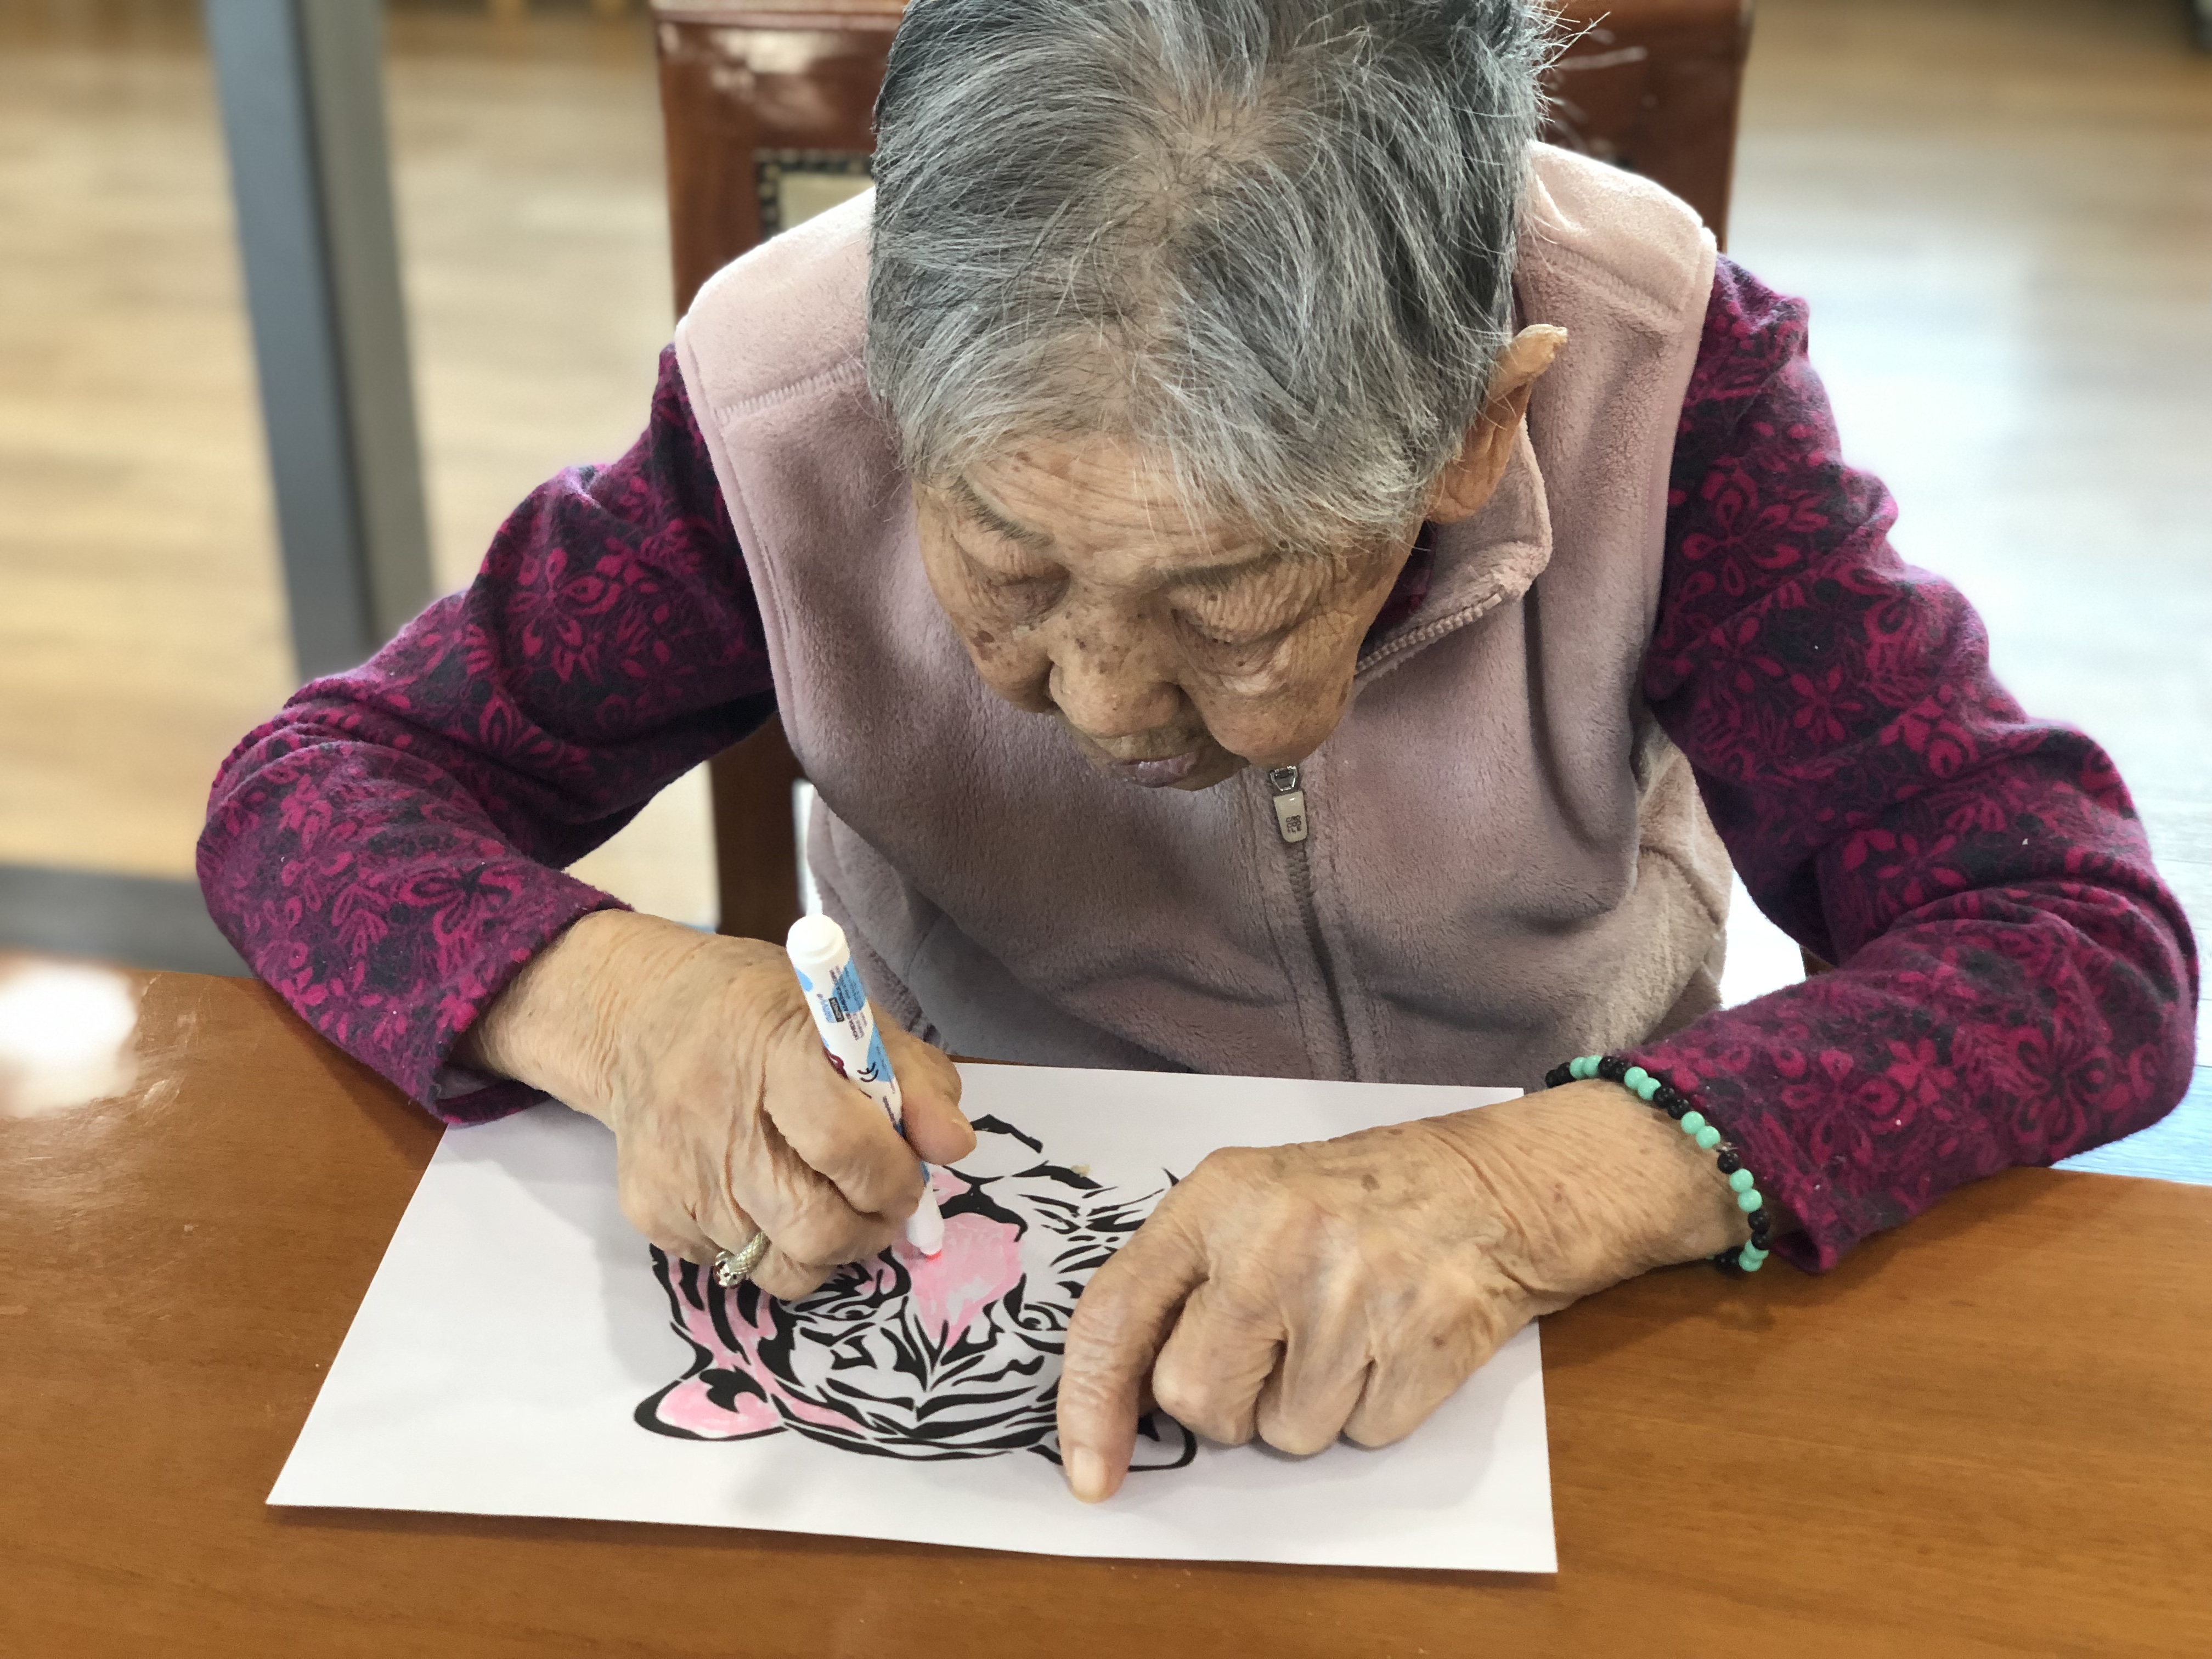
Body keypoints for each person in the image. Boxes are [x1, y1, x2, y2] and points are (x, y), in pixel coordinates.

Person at [199, 0, 2195, 1505]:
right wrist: (618, 1005)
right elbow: (313, 793)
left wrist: (1530, 1192)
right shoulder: (782, 410)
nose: (1098, 699)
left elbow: (2071, 939)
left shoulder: (1667, 390)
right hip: (964, 1219)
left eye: (1229, 607)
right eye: (1007, 563)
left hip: (1577, 1293)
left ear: (1479, 433)